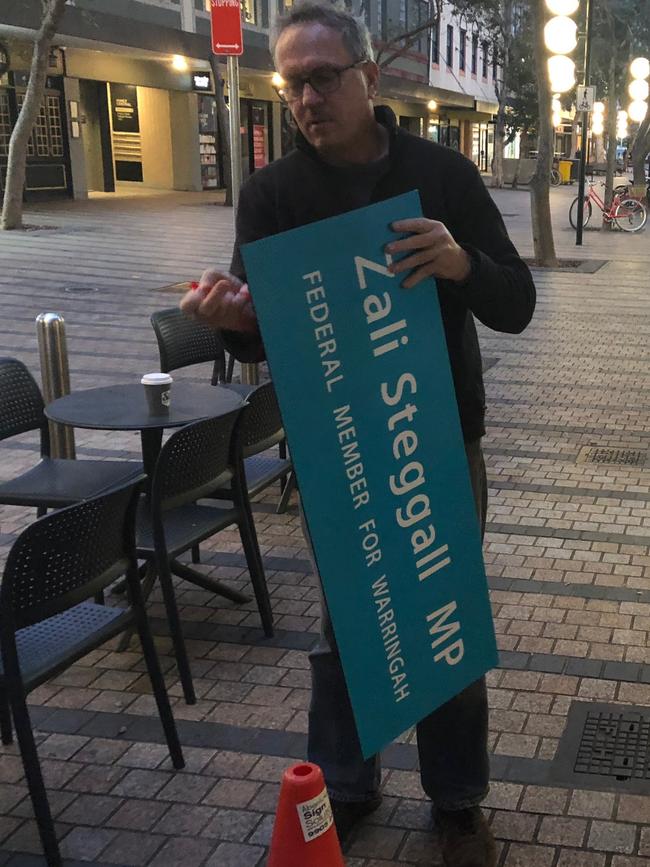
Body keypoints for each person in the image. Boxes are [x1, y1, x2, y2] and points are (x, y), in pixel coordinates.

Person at [181, 4, 535, 865]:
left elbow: (516, 305)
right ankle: (346, 782)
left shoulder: (443, 175)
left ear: (369, 79)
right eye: (291, 82)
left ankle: (457, 798)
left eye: (322, 78)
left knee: (442, 615)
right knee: (350, 621)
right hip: (338, 443)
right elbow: (268, 335)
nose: (305, 97)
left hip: (440, 434)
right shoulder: (272, 195)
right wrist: (233, 320)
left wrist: (461, 262)